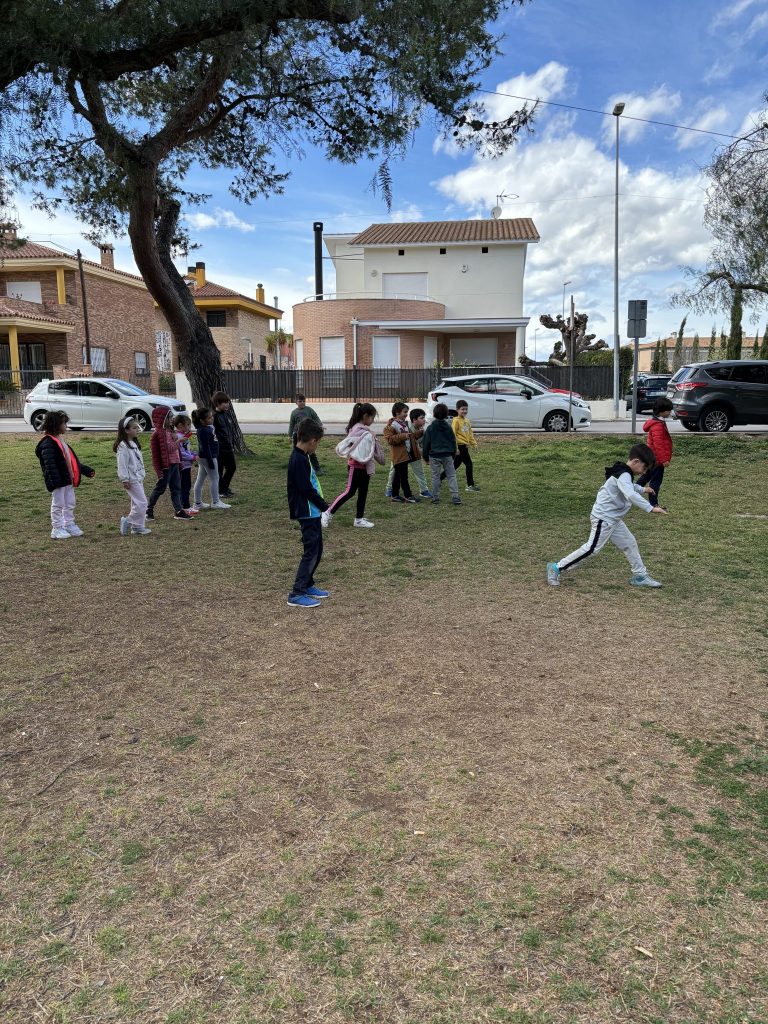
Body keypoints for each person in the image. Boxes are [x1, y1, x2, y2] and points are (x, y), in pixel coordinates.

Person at [547, 442, 668, 588]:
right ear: (636, 461)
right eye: (644, 468)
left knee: (629, 543)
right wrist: (651, 508)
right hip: (604, 518)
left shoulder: (623, 472)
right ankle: (556, 568)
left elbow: (627, 486)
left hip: (613, 519)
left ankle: (640, 575)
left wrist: (643, 489)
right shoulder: (624, 474)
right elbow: (630, 494)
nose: (643, 472)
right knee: (591, 549)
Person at [287, 419, 330, 608]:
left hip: (313, 511)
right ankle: (297, 593)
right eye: (318, 443)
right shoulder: (298, 459)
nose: (317, 446)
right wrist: (324, 505)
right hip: (307, 511)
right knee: (311, 551)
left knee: (317, 549)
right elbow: (305, 488)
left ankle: (308, 584)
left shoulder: (302, 456)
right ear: (312, 441)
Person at [322, 402, 384, 529]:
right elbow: (352, 444)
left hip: (365, 467)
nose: (373, 421)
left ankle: (359, 519)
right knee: (349, 492)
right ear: (365, 416)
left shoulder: (363, 430)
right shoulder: (358, 430)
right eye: (372, 418)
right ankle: (327, 513)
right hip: (355, 467)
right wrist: (370, 436)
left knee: (363, 493)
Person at [35, 410, 95, 539]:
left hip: (67, 479)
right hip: (59, 481)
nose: (66, 426)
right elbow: (49, 465)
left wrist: (85, 470)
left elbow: (70, 461)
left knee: (69, 502)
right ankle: (57, 528)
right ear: (56, 425)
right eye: (64, 423)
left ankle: (69, 524)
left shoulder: (60, 441)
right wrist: (55, 481)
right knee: (58, 503)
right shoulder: (48, 443)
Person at [147, 406, 192, 521]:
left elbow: (175, 450)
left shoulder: (170, 431)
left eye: (172, 416)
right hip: (166, 466)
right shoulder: (159, 434)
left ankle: (179, 511)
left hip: (175, 463)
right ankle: (148, 510)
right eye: (170, 417)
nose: (172, 419)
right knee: (160, 488)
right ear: (163, 418)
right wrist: (179, 441)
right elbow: (169, 449)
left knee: (176, 488)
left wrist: (176, 438)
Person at [114, 415, 151, 536]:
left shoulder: (133, 443)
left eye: (137, 427)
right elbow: (122, 464)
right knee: (142, 503)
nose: (137, 430)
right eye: (134, 428)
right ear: (126, 430)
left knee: (136, 503)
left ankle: (137, 527)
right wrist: (124, 479)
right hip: (131, 479)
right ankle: (128, 521)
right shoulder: (123, 446)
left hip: (138, 477)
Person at [385, 407, 432, 499]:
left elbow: (421, 444)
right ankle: (390, 489)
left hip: (414, 454)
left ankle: (424, 490)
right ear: (414, 420)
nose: (424, 420)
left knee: (419, 472)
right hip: (401, 454)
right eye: (422, 418)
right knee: (394, 471)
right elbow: (395, 438)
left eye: (424, 418)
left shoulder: (422, 430)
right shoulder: (405, 426)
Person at [192, 407, 230, 510]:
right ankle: (215, 502)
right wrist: (210, 461)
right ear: (202, 421)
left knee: (200, 478)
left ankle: (198, 503)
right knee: (215, 478)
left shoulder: (208, 427)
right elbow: (205, 448)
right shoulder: (203, 431)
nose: (212, 418)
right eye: (209, 418)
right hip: (208, 457)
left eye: (211, 416)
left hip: (207, 457)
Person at [421, 403, 460, 505]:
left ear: (434, 414)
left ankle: (435, 498)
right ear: (446, 414)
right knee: (451, 476)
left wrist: (425, 457)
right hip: (447, 455)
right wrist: (453, 455)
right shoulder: (448, 427)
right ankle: (455, 497)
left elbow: (426, 443)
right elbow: (453, 441)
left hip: (434, 456)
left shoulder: (430, 428)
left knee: (435, 476)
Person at [638, 397, 673, 509]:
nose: (670, 412)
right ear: (662, 411)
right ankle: (653, 504)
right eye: (668, 410)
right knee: (655, 482)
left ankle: (630, 492)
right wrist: (664, 460)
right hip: (657, 460)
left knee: (645, 478)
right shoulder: (658, 425)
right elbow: (659, 445)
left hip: (652, 459)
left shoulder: (657, 422)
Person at [383, 401, 420, 504]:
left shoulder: (404, 424)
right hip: (399, 456)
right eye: (405, 412)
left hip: (405, 455)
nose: (406, 414)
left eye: (407, 412)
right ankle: (408, 496)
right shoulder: (392, 425)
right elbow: (390, 439)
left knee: (398, 476)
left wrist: (419, 433)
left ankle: (394, 495)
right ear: (397, 412)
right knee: (404, 477)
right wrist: (403, 436)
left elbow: (410, 436)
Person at [288, 394, 323, 473]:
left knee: (311, 452)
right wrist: (290, 436)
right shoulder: (294, 412)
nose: (302, 403)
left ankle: (317, 469)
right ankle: (296, 467)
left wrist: (320, 425)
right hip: (297, 435)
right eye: (300, 401)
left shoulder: (309, 410)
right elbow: (291, 425)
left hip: (308, 435)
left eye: (303, 401)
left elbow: (316, 418)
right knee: (297, 452)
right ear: (296, 402)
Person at [173, 414, 200, 516]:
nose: (189, 427)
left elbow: (186, 450)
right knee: (185, 486)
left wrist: (193, 454)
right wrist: (192, 457)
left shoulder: (183, 437)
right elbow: (181, 453)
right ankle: (185, 507)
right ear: (180, 425)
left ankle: (185, 506)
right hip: (183, 466)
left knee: (186, 486)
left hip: (187, 465)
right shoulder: (179, 437)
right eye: (188, 425)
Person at [451, 399, 480, 491]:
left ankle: (439, 479)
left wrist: (474, 444)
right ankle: (470, 485)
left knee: (455, 465)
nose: (465, 411)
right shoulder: (456, 421)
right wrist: (455, 447)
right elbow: (453, 435)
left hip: (465, 446)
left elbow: (470, 433)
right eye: (462, 409)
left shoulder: (467, 421)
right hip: (460, 446)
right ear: (457, 410)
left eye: (466, 409)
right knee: (469, 464)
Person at [212, 391, 237, 497]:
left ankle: (223, 487)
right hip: (220, 448)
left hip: (228, 446)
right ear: (218, 403)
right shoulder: (214, 417)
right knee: (220, 470)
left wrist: (232, 443)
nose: (227, 404)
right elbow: (212, 433)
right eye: (225, 402)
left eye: (228, 402)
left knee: (232, 467)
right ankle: (221, 491)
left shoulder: (226, 414)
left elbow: (229, 431)